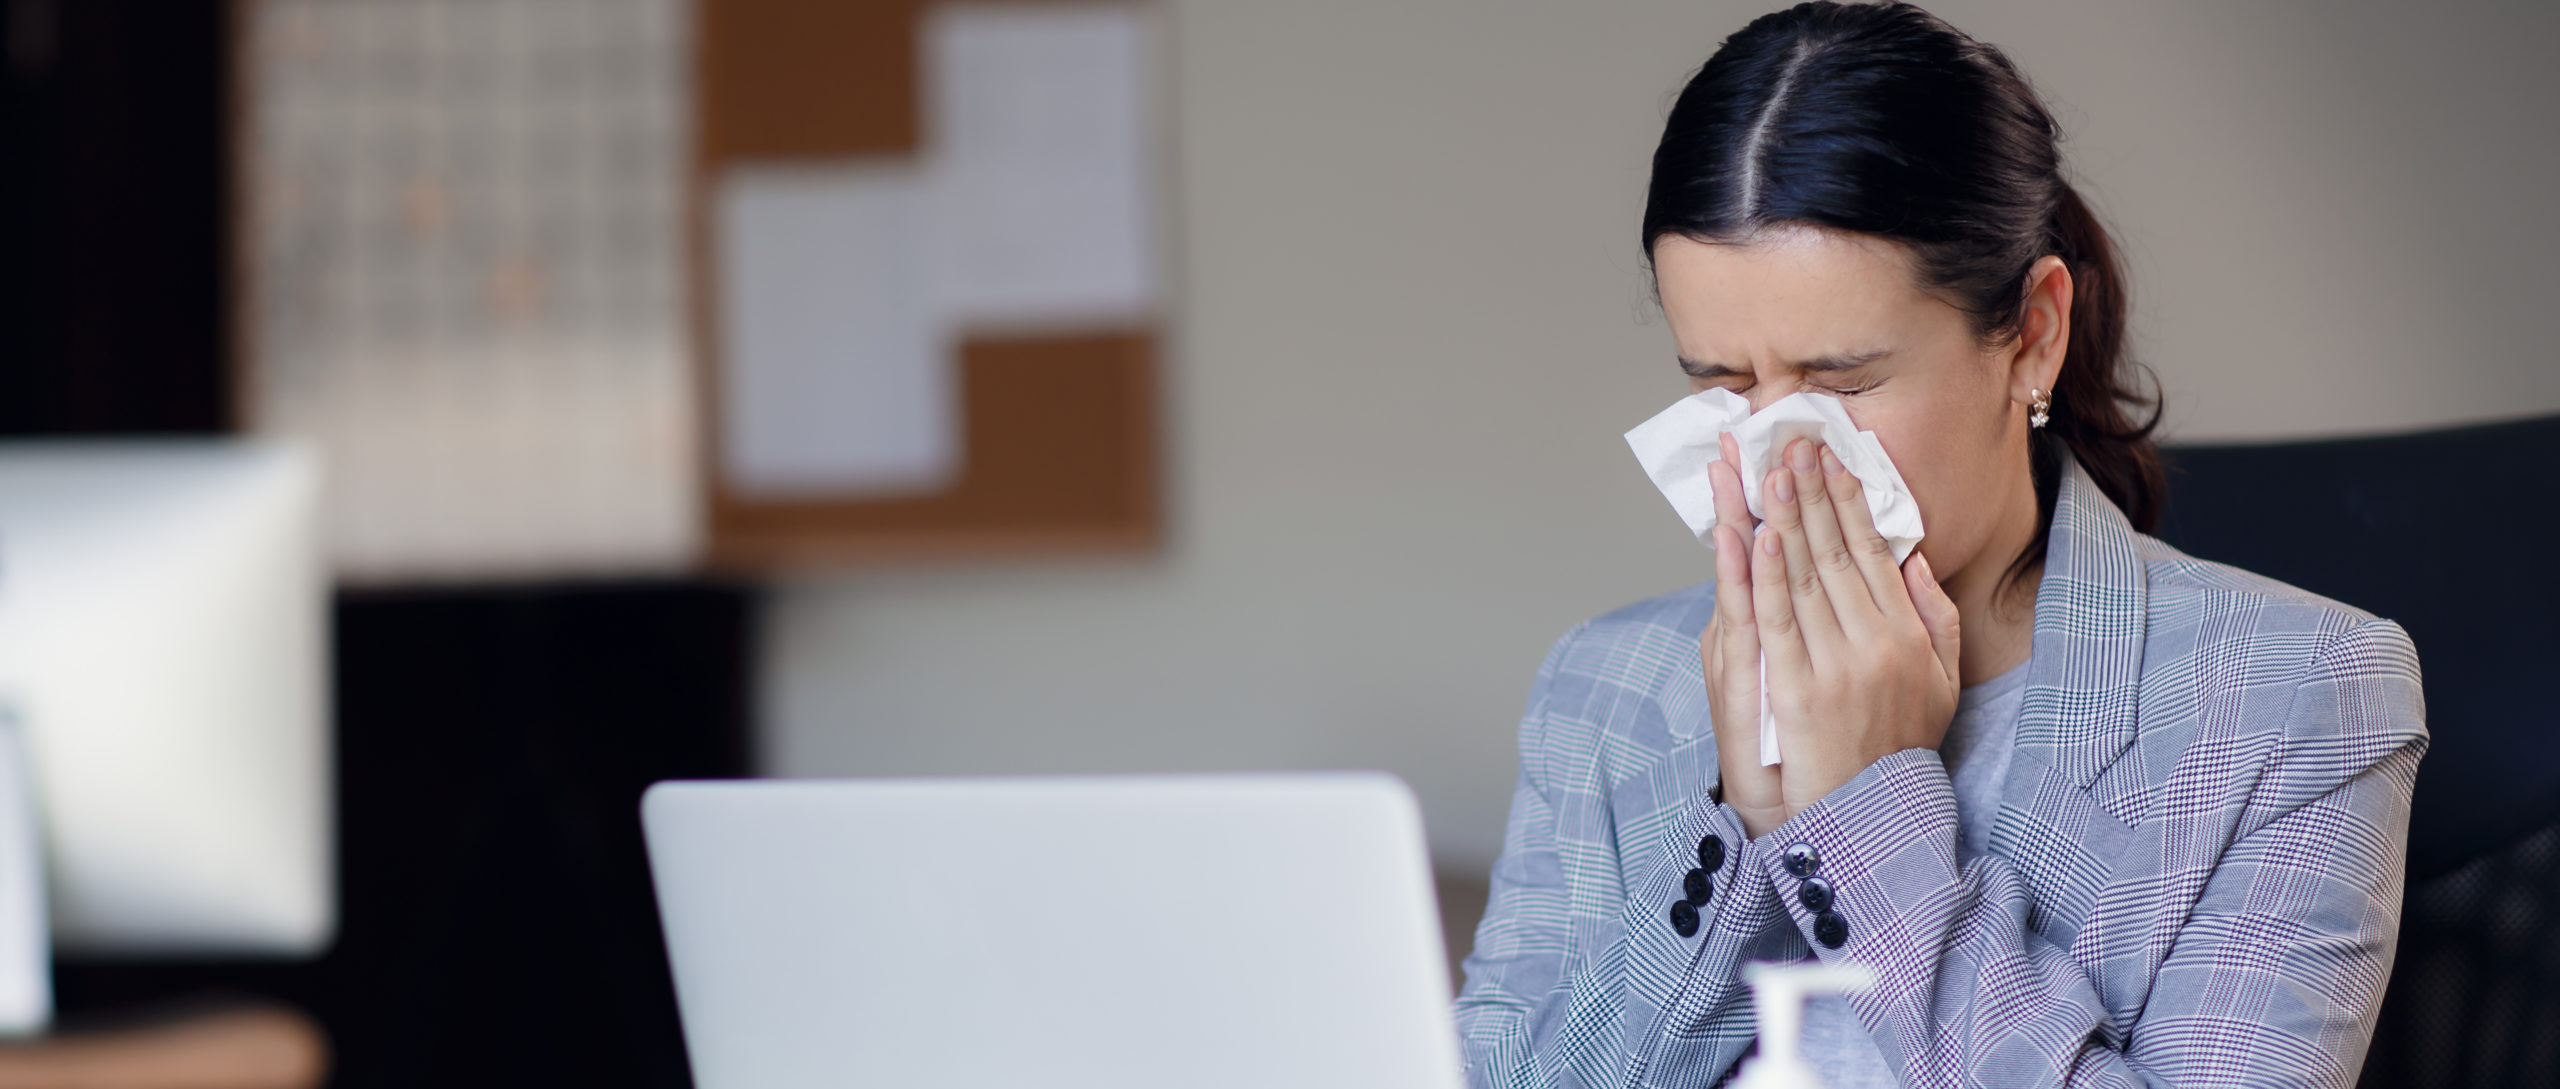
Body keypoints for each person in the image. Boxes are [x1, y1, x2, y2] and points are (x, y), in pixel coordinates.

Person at [1449, 4, 2428, 1088]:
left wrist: (1862, 812)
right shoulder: (1605, 687)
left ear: (2032, 336)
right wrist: (1745, 823)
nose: (1782, 458)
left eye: (1842, 382)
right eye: (1720, 385)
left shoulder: (2294, 697)